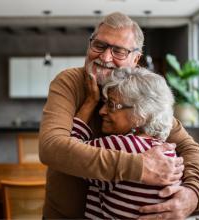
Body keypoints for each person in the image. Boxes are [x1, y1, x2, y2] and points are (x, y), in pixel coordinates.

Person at [39, 12, 199, 219]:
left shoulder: (139, 92)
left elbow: (187, 147)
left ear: (135, 59)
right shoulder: (69, 81)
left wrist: (193, 193)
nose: (105, 57)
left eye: (119, 51)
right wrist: (139, 166)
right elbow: (51, 147)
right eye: (99, 45)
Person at [71, 67, 178, 219]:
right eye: (103, 102)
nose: (101, 111)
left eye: (111, 105)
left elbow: (71, 151)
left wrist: (90, 101)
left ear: (140, 115)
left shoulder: (121, 146)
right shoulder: (167, 151)